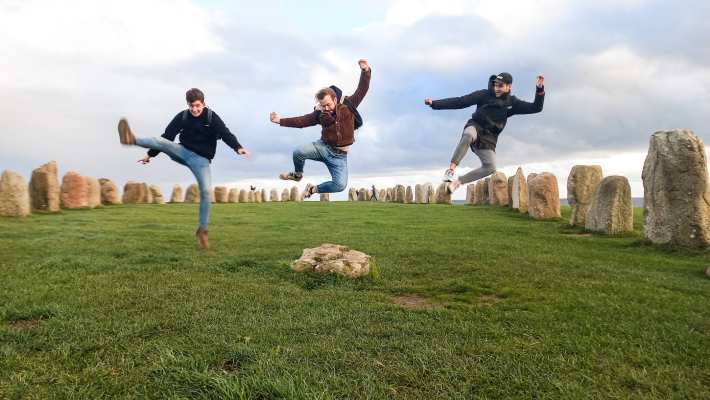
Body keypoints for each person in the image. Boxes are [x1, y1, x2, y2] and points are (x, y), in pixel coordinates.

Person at [117, 88, 250, 249]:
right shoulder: (183, 116)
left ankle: (202, 230)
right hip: (182, 152)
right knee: (161, 141)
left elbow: (226, 133)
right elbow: (167, 137)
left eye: (197, 106)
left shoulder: (211, 117)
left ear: (204, 104)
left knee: (207, 192)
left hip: (202, 161)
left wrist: (238, 147)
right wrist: (150, 155)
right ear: (188, 105)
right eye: (191, 106)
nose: (194, 109)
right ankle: (130, 139)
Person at [425, 72, 545, 193]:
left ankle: (458, 182)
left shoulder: (512, 103)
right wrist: (435, 103)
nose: (497, 88)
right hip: (475, 126)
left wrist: (539, 89)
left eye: (501, 86)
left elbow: (536, 108)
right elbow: (460, 101)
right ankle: (450, 170)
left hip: (489, 138)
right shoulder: (483, 94)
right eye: (496, 85)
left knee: (491, 167)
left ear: (509, 87)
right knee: (468, 135)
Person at [269, 59, 371, 198]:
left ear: (335, 100)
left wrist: (365, 71)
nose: (326, 108)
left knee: (340, 185)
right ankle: (297, 175)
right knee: (298, 152)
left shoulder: (348, 106)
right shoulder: (320, 113)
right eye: (323, 106)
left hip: (339, 157)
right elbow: (301, 121)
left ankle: (312, 190)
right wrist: (279, 120)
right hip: (323, 147)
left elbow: (362, 90)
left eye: (328, 105)